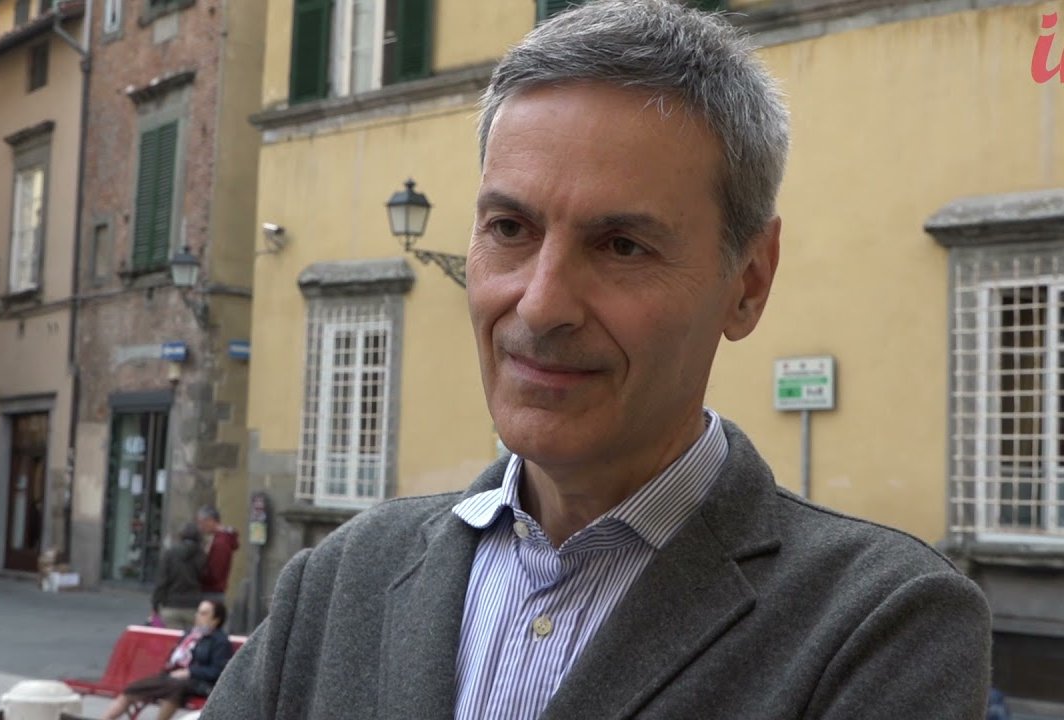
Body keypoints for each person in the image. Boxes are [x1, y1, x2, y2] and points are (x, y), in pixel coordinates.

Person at [203, 2, 992, 718]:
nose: (541, 305)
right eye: (510, 229)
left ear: (748, 283)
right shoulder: (338, 581)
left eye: (621, 246)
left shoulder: (882, 625)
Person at [102, 600, 233, 720]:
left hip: (197, 683)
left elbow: (218, 671)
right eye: (198, 612)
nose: (197, 616)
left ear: (216, 619)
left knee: (176, 688)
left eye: (203, 613)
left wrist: (190, 672)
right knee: (132, 689)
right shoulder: (190, 634)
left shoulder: (220, 641)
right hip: (171, 677)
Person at [151, 522, 205, 630]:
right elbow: (205, 578)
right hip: (193, 605)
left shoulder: (170, 553)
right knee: (191, 639)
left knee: (173, 638)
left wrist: (155, 603)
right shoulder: (201, 555)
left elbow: (162, 581)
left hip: (171, 604)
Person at [196, 505, 239, 598]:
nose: (200, 527)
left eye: (201, 523)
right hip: (212, 591)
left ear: (210, 521)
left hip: (212, 592)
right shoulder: (217, 539)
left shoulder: (220, 543)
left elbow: (215, 572)